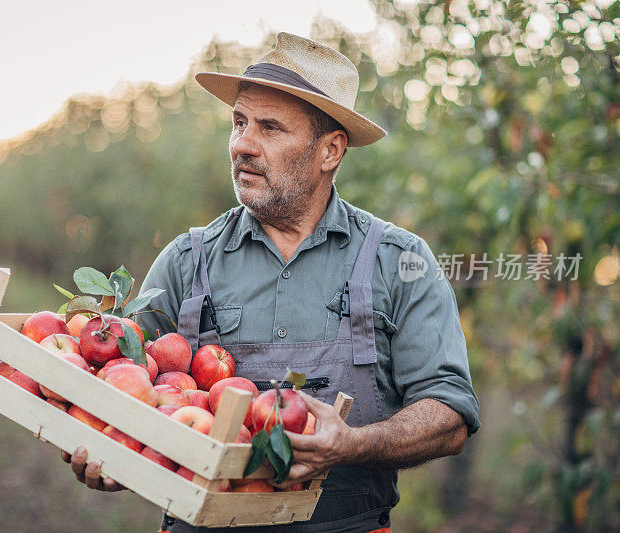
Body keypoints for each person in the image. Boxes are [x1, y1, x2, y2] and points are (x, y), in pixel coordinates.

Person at [63, 32, 480, 533]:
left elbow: (450, 410)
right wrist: (113, 449)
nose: (243, 144)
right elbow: (124, 388)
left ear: (330, 150)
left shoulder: (399, 261)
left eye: (271, 128)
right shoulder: (186, 261)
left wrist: (353, 444)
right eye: (239, 122)